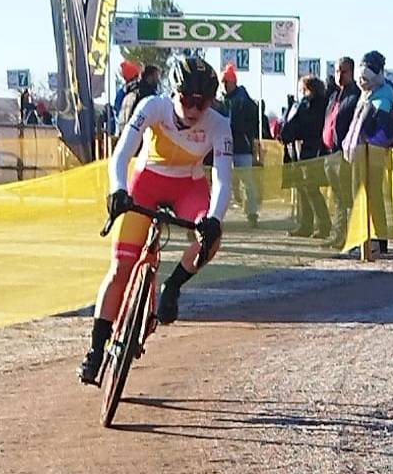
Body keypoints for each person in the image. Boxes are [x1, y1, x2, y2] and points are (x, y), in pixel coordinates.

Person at [78, 57, 233, 384]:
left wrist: (214, 219)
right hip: (146, 183)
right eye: (188, 100)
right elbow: (122, 153)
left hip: (188, 187)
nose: (194, 110)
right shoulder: (153, 106)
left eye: (202, 102)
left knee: (211, 239)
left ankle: (172, 286)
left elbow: (222, 179)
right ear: (175, 92)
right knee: (121, 268)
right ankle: (95, 350)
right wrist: (118, 190)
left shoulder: (219, 124)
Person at [342, 51, 393, 254]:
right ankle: (365, 238)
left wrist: (370, 143)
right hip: (359, 154)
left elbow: (385, 132)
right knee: (360, 197)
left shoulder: (382, 98)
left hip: (370, 156)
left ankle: (375, 240)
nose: (361, 82)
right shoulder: (367, 95)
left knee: (371, 197)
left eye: (366, 79)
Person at [280, 74, 331, 238]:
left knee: (311, 189)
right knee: (302, 189)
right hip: (300, 150)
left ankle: (323, 224)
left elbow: (306, 125)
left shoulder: (315, 105)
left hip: (311, 150)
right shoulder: (305, 105)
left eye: (303, 89)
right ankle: (306, 224)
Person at [321, 56, 360, 248]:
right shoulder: (334, 96)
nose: (339, 75)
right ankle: (338, 234)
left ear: (351, 72)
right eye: (337, 71)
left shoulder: (356, 96)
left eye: (343, 71)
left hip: (345, 154)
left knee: (346, 198)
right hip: (330, 153)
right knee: (337, 198)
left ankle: (349, 236)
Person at [220, 63, 260, 226]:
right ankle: (218, 214)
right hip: (225, 146)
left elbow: (253, 122)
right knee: (223, 180)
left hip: (242, 146)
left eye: (227, 82)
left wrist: (244, 133)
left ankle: (252, 214)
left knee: (247, 181)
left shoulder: (244, 101)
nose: (224, 85)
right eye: (223, 82)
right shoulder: (222, 101)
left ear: (233, 82)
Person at [117, 64, 161, 134]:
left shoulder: (129, 94)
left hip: (126, 135)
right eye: (156, 77)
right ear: (149, 77)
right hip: (140, 137)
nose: (158, 80)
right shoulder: (148, 97)